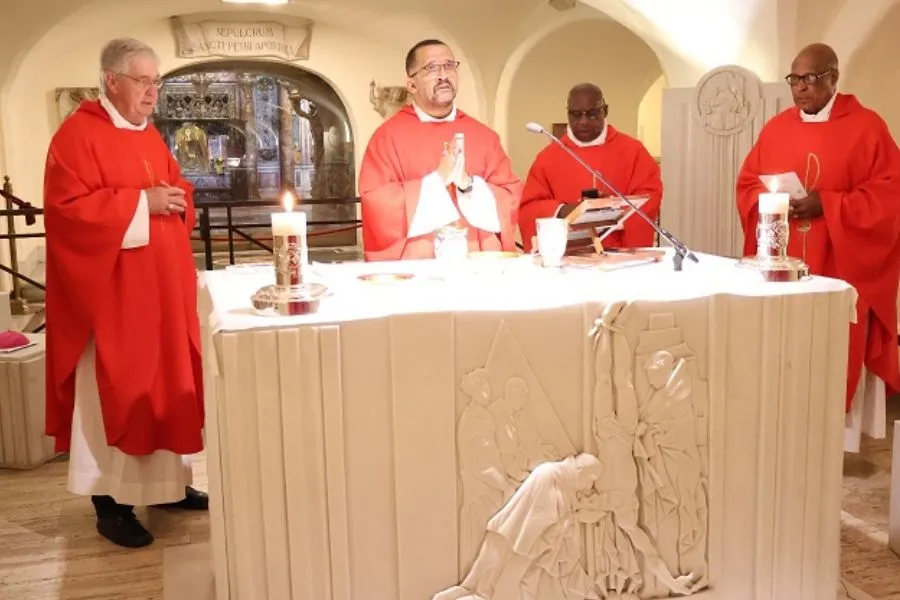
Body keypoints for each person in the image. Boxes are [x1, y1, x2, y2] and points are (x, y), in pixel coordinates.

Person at [43, 38, 207, 549]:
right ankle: (110, 503)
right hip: (113, 301)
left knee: (165, 390)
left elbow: (172, 185)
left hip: (161, 293)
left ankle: (166, 486)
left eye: (156, 82)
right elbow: (67, 213)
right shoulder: (76, 137)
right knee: (115, 394)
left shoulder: (149, 136)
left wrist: (177, 198)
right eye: (143, 81)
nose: (152, 92)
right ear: (111, 80)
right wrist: (141, 203)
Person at [735, 42, 900, 450]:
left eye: (811, 78)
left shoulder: (867, 127)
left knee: (833, 348)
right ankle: (782, 432)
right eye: (795, 79)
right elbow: (748, 182)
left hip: (840, 259)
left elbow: (889, 194)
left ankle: (832, 442)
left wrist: (828, 203)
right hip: (784, 258)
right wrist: (774, 202)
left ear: (833, 77)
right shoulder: (777, 128)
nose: (801, 88)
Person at [359, 39, 522, 260]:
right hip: (418, 268)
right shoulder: (387, 138)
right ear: (411, 85)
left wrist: (468, 185)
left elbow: (510, 196)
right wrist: (436, 182)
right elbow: (377, 203)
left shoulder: (484, 137)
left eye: (450, 66)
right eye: (432, 68)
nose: (444, 75)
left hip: (477, 266)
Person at [519, 83, 662, 252]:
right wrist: (564, 210)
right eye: (576, 115)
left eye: (592, 114)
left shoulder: (632, 151)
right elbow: (529, 208)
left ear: (605, 110)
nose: (583, 122)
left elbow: (649, 196)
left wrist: (611, 212)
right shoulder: (548, 158)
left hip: (619, 255)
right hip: (568, 256)